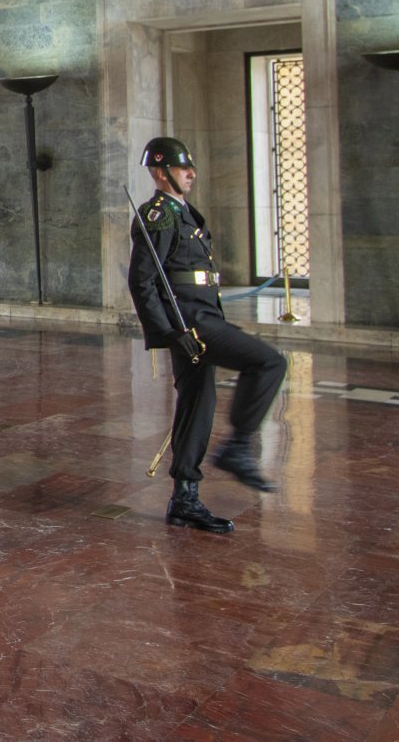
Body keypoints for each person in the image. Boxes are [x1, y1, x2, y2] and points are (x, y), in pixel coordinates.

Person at [129, 137, 287, 534]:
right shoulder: (159, 215)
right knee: (268, 361)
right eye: (183, 168)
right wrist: (168, 332)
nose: (191, 174)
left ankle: (185, 499)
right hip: (192, 322)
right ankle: (237, 448)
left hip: (198, 318)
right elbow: (143, 282)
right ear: (160, 172)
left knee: (197, 403)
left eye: (191, 167)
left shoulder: (183, 212)